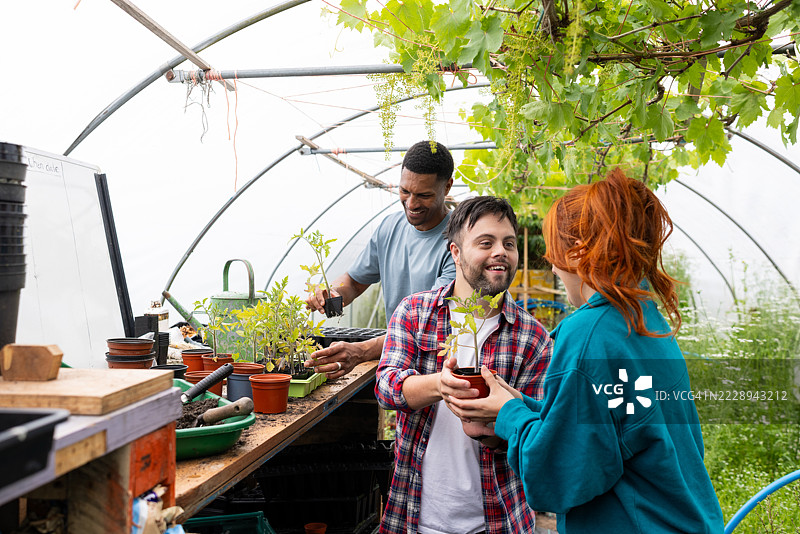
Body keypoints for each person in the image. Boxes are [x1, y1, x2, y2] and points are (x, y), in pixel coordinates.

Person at [445, 169, 724, 534]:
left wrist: (510, 415)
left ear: (577, 253)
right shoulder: (642, 319)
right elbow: (613, 426)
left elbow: (556, 477)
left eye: (554, 251)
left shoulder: (589, 336)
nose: (552, 262)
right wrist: (524, 405)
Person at [376, 196, 551, 534]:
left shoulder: (533, 338)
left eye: (509, 243)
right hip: (414, 515)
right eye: (486, 243)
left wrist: (492, 432)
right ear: (455, 252)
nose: (501, 251)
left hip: (497, 519)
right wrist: (439, 386)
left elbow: (539, 439)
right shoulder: (416, 312)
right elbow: (386, 386)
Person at [305, 140, 457, 379]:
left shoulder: (459, 240)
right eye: (404, 191)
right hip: (399, 368)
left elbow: (428, 321)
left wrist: (362, 350)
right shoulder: (390, 228)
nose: (412, 203)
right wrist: (332, 295)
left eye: (424, 195)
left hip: (442, 372)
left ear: (447, 187)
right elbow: (355, 282)